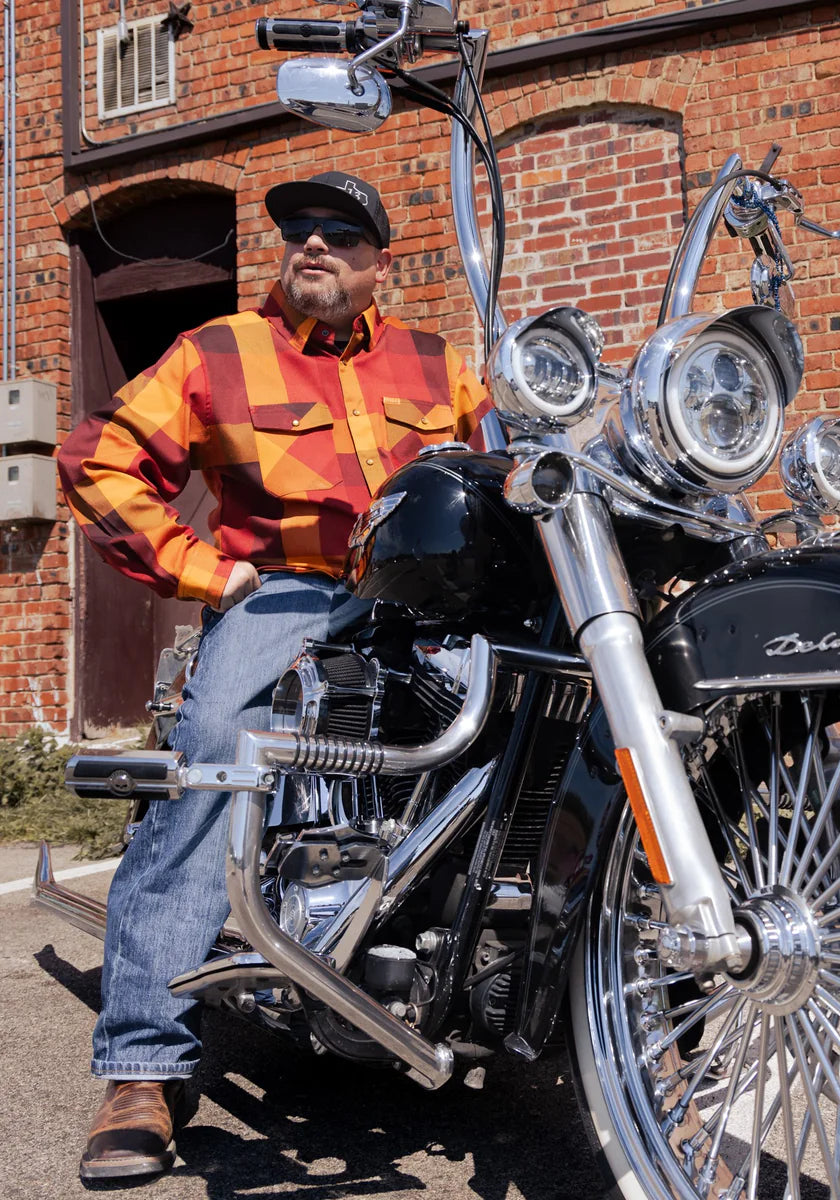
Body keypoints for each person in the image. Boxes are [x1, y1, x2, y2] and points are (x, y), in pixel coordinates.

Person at [57, 170, 491, 1182]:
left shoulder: (441, 364)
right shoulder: (219, 352)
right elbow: (97, 460)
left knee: (549, 716)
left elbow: (511, 469)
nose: (314, 244)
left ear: (382, 263)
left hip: (430, 595)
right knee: (214, 758)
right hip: (293, 589)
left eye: (342, 234)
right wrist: (208, 571)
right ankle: (144, 1067)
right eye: (298, 229)